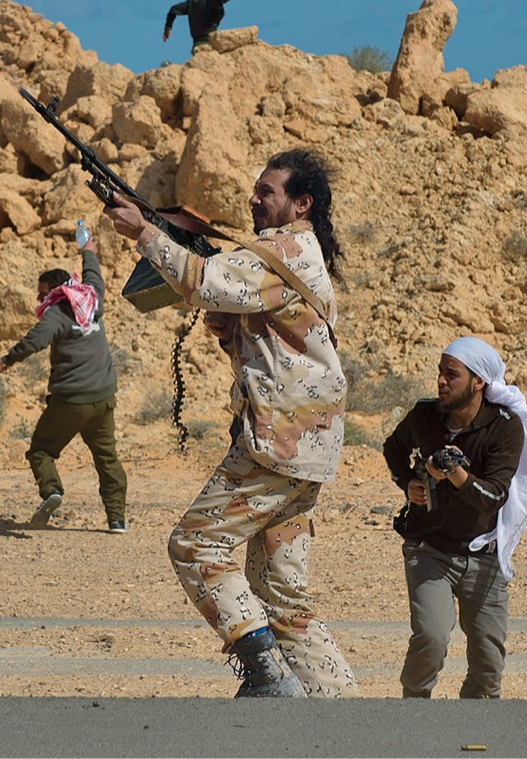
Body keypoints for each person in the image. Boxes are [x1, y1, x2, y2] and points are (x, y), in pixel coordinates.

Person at [104, 148, 355, 699]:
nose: (254, 199)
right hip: (308, 447)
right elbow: (280, 346)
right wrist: (231, 334)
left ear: (300, 204)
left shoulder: (279, 248)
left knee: (196, 545)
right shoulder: (298, 252)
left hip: (276, 446)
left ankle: (267, 675)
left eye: (267, 192)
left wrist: (143, 232)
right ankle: (341, 709)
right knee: (283, 597)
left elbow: (199, 279)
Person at [382, 337, 527, 699]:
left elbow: (492, 498)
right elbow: (392, 449)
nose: (441, 380)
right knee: (432, 636)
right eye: (440, 372)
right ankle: (412, 712)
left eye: (451, 374)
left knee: (488, 666)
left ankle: (473, 731)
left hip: (483, 554)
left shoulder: (504, 428)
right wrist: (408, 481)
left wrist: (454, 472)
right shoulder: (425, 415)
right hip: (430, 548)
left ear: (478, 382)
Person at [0, 220, 128, 533]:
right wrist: (87, 249)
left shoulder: (57, 313)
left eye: (42, 294)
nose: (40, 302)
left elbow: (37, 339)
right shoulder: (93, 299)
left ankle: (52, 491)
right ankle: (117, 519)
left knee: (41, 450)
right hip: (104, 399)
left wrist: (8, 359)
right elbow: (92, 271)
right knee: (107, 459)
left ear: (53, 291)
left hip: (70, 402)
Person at [163, 0, 242, 46]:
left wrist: (168, 27)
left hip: (197, 43)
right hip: (210, 42)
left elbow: (173, 9)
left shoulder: (192, 1)